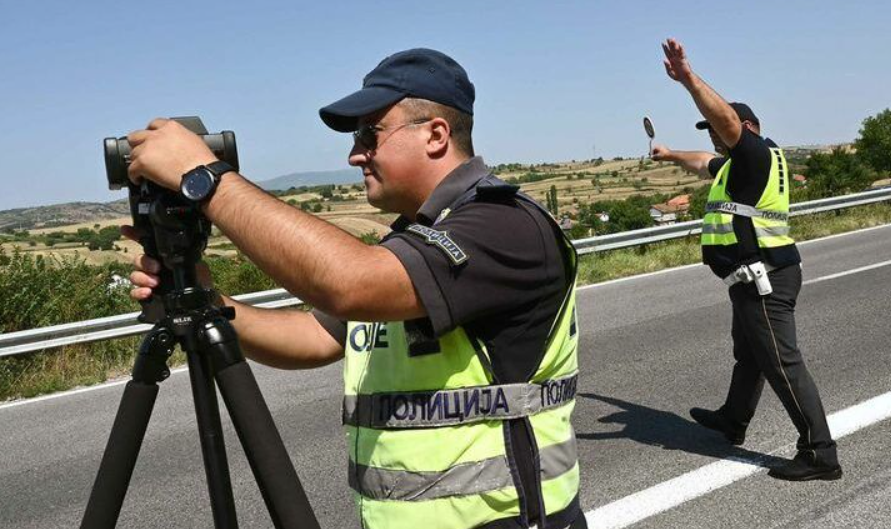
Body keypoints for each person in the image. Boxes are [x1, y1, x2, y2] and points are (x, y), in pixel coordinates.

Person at [124, 48, 586, 529]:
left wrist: (205, 178)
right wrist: (209, 303)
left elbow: (347, 285)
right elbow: (316, 336)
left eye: (370, 133)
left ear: (435, 134)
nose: (354, 153)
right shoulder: (413, 241)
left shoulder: (502, 227)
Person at [650, 38, 841, 481]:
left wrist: (687, 79)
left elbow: (728, 123)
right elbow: (702, 162)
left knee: (781, 363)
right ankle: (733, 419)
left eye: (720, 130)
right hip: (752, 277)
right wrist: (670, 153)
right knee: (750, 354)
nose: (716, 137)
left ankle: (820, 453)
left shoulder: (754, 153)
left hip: (765, 278)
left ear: (746, 127)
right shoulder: (739, 166)